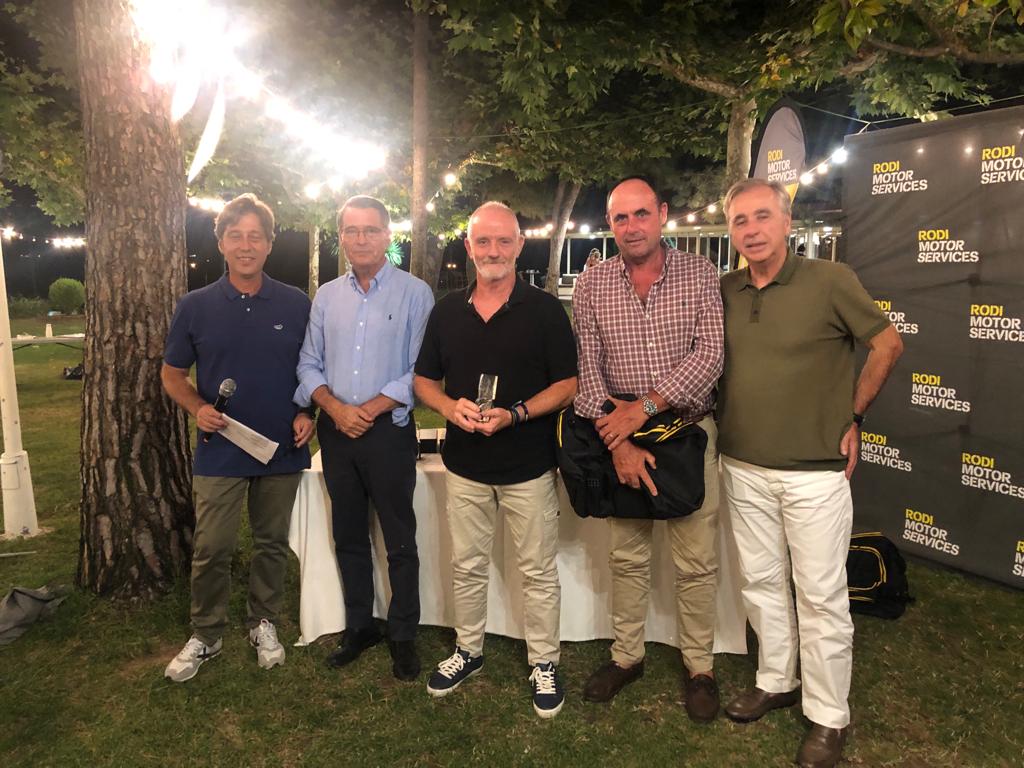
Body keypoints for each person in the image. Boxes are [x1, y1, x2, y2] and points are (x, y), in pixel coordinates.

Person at [717, 178, 903, 768]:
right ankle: (776, 680)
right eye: (740, 220)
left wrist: (855, 416)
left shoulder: (831, 280)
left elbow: (888, 345)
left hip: (814, 472)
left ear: (787, 220)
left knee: (821, 596)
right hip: (741, 463)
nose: (752, 229)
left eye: (762, 216)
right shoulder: (724, 289)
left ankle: (828, 716)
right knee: (761, 584)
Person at [413, 201, 578, 719]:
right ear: (469, 247)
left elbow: (568, 384)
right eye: (483, 241)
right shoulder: (447, 311)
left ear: (519, 246)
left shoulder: (545, 310)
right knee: (466, 565)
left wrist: (517, 413)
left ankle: (544, 660)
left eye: (504, 241)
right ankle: (469, 650)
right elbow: (423, 380)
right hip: (464, 464)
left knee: (537, 571)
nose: (493, 251)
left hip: (529, 464)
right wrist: (448, 408)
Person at [572, 176, 725, 722]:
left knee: (696, 561)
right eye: (620, 217)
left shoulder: (699, 273)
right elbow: (587, 369)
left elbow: (710, 355)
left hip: (687, 433)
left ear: (661, 214)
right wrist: (618, 439)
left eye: (641, 214)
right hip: (620, 438)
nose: (632, 226)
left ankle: (700, 668)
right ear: (610, 224)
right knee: (627, 557)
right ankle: (627, 657)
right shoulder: (592, 284)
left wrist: (647, 407)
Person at [162, 193, 313, 682]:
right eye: (236, 236)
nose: (245, 246)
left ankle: (262, 622)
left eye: (255, 237)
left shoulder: (296, 303)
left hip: (281, 448)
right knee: (213, 546)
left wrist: (307, 411)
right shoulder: (195, 306)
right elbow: (172, 375)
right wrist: (198, 408)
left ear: (269, 244)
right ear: (221, 243)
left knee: (272, 543)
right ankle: (207, 633)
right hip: (221, 449)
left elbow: (313, 368)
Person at [295, 195, 434, 681]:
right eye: (351, 230)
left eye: (370, 229)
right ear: (341, 237)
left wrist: (369, 409)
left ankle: (403, 633)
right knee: (349, 534)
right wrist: (335, 409)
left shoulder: (415, 293)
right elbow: (308, 362)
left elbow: (422, 370)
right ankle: (359, 625)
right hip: (337, 435)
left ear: (388, 235)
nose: (360, 239)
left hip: (388, 434)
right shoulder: (326, 296)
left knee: (399, 539)